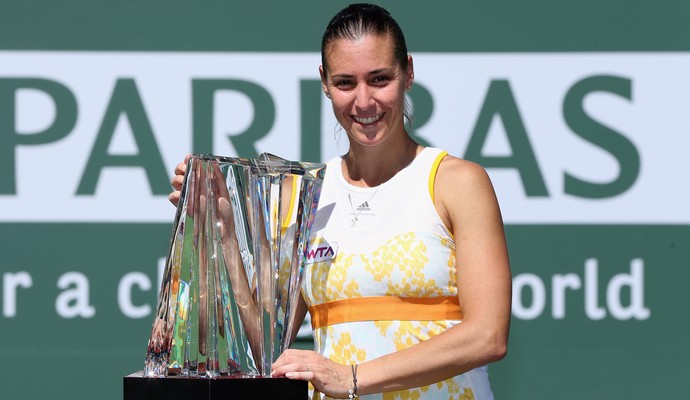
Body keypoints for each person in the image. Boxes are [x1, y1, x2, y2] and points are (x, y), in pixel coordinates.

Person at [170, 3, 511, 399]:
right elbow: (268, 352)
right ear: (324, 82)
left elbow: (488, 335)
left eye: (380, 79)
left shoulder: (457, 182)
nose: (364, 102)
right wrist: (225, 232)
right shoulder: (308, 196)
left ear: (409, 73)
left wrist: (352, 377)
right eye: (346, 83)